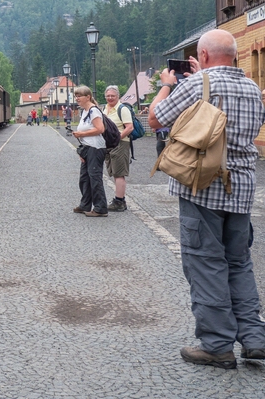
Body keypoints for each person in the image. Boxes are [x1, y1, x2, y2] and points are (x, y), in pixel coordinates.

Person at [149, 29, 265, 369]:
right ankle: (255, 338)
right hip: (242, 190)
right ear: (236, 56)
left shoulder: (194, 85)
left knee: (205, 262)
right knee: (239, 262)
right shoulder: (253, 90)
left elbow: (155, 118)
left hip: (202, 186)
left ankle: (217, 346)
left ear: (201, 57)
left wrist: (168, 84)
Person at [70, 86, 108, 217]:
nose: (77, 98)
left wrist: (81, 133)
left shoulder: (93, 111)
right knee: (84, 178)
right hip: (87, 148)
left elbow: (100, 129)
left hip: (96, 148)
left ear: (88, 97)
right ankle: (85, 204)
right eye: (76, 96)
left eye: (79, 96)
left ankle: (100, 208)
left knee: (95, 177)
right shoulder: (85, 111)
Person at [102, 85, 133, 212]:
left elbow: (129, 127)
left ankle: (119, 201)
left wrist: (117, 137)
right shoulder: (105, 109)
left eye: (112, 96)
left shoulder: (122, 109)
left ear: (118, 96)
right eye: (108, 96)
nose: (110, 98)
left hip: (120, 144)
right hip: (109, 144)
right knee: (114, 172)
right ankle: (119, 199)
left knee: (119, 173)